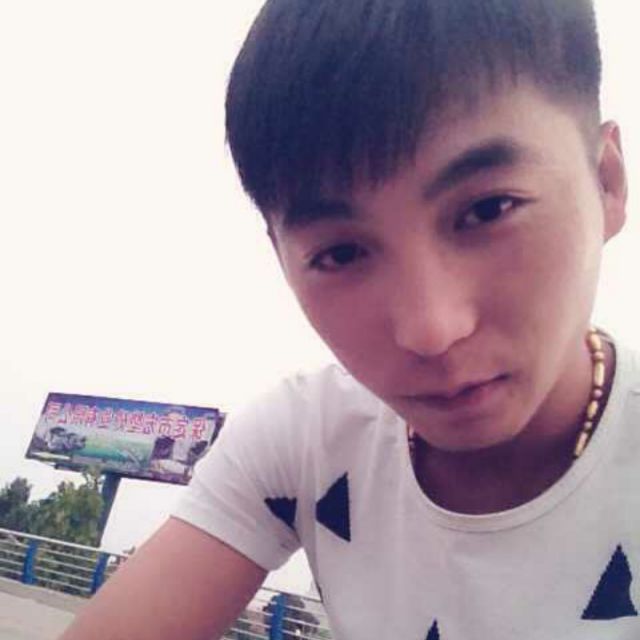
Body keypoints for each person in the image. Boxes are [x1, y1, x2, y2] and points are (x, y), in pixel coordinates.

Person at [59, 1, 638, 638]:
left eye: (488, 209)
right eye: (341, 254)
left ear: (606, 181)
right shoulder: (305, 440)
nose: (430, 329)